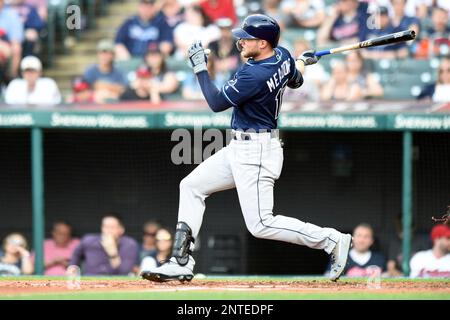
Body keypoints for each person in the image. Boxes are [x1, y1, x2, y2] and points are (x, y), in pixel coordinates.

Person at [141, 14, 352, 283]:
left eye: (247, 38)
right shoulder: (284, 55)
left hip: (257, 151)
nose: (240, 41)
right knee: (191, 186)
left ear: (263, 43)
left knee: (261, 224)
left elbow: (217, 103)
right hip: (240, 148)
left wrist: (200, 70)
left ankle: (331, 239)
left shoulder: (255, 73)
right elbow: (296, 80)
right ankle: (182, 261)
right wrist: (301, 62)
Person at [70, 214, 139, 276]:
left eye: (112, 227)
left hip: (114, 283)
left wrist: (113, 253)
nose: (108, 230)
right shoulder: (89, 240)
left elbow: (124, 273)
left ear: (121, 230)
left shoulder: (129, 244)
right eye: (105, 227)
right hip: (90, 281)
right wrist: (72, 268)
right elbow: (76, 254)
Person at [83, 39, 127, 104]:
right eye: (102, 53)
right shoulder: (90, 71)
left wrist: (103, 86)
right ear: (98, 54)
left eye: (108, 53)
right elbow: (84, 91)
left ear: (113, 55)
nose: (105, 56)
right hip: (93, 105)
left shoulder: (119, 72)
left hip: (115, 103)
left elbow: (123, 90)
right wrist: (112, 88)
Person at [0, 0, 24, 79]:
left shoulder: (11, 14)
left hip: (7, 49)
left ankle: (11, 78)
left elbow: (16, 40)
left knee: (16, 48)